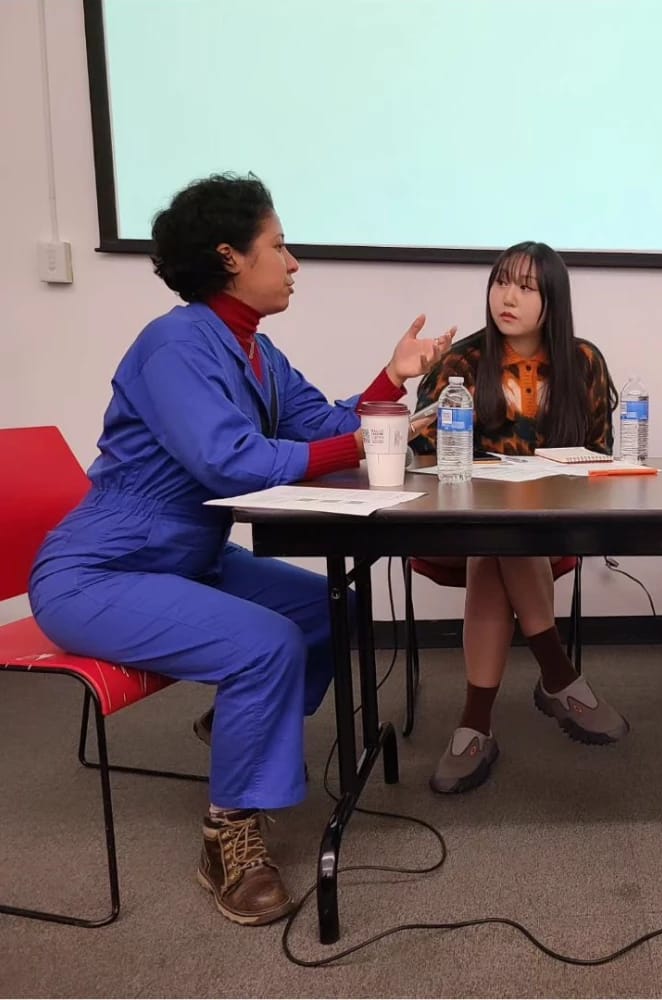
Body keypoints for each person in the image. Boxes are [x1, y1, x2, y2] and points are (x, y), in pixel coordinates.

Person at [28, 173, 453, 925]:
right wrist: (356, 440)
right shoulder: (174, 345)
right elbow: (233, 463)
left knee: (331, 608)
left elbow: (322, 424)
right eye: (279, 245)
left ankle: (238, 729)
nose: (293, 263)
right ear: (230, 256)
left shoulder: (255, 351)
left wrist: (393, 379)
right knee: (266, 646)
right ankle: (228, 834)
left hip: (191, 561)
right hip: (100, 573)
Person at [410, 241, 626, 795]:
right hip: (461, 527)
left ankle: (476, 723)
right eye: (502, 282)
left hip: (550, 528)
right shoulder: (461, 361)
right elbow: (423, 450)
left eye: (526, 287)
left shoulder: (583, 362)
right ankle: (558, 675)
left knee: (504, 543)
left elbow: (600, 451)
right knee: (497, 537)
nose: (508, 296)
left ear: (552, 298)